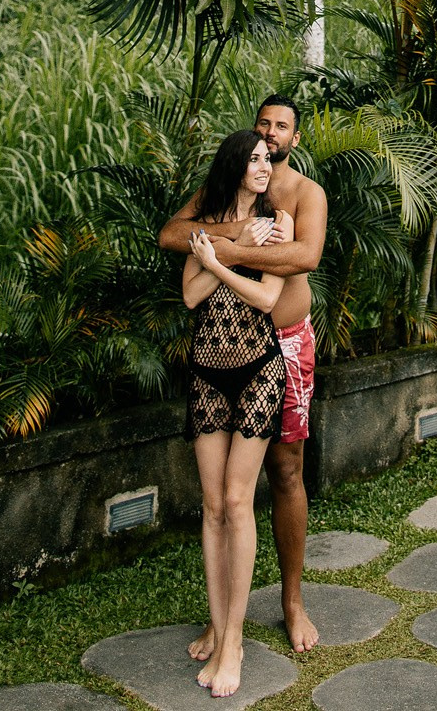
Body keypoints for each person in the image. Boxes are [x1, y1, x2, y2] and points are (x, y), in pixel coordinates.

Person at [160, 95, 327, 656]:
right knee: (227, 497)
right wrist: (234, 236)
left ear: (295, 138)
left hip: (285, 344)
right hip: (223, 350)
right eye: (263, 124)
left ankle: (291, 601)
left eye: (282, 127)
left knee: (285, 471)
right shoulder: (228, 185)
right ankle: (223, 620)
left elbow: (305, 257)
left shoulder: (303, 194)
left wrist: (223, 253)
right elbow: (173, 234)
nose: (271, 133)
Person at [182, 128, 293, 699]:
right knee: (211, 507)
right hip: (207, 373)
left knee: (235, 500)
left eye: (267, 158)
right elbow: (190, 295)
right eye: (254, 159)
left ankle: (234, 645)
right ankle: (219, 624)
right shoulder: (209, 223)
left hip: (257, 371)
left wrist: (221, 260)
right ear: (234, 167)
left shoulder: (279, 224)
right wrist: (221, 247)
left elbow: (268, 298)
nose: (265, 166)